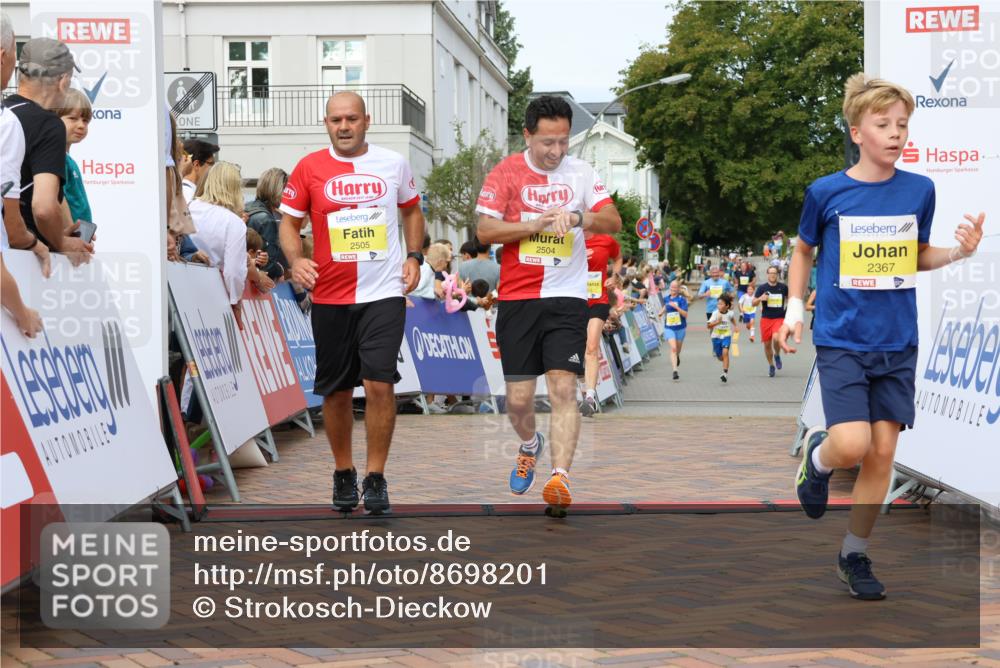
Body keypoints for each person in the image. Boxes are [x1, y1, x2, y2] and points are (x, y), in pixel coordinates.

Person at [781, 73, 985, 601]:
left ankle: (854, 553)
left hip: (897, 341)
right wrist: (793, 309)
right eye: (883, 124)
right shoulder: (826, 192)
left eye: (902, 125)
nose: (896, 133)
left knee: (881, 455)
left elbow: (916, 256)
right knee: (852, 444)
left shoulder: (920, 190)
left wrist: (959, 253)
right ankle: (819, 458)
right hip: (843, 339)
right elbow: (803, 251)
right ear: (857, 132)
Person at [278, 91, 425, 515]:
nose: (344, 126)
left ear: (367, 121)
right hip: (330, 295)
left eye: (352, 119)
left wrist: (414, 257)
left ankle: (376, 476)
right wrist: (296, 259)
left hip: (382, 293)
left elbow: (412, 212)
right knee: (338, 390)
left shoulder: (393, 163)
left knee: (380, 383)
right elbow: (290, 222)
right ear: (326, 123)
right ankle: (344, 471)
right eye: (336, 120)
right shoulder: (309, 167)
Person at [476, 95, 621, 517]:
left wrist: (579, 218)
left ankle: (560, 478)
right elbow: (484, 230)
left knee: (562, 389)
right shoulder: (506, 173)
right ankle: (529, 445)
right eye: (547, 143)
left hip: (567, 298)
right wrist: (531, 225)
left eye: (563, 142)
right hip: (519, 298)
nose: (556, 151)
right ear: (527, 135)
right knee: (519, 402)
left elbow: (612, 220)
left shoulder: (582, 173)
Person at [3, 37, 92, 262]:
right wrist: (61, 242)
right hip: (29, 259)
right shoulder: (48, 125)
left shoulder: (4, 114)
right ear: (63, 81)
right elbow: (43, 207)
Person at [188, 161, 268, 307]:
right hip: (212, 295)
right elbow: (233, 272)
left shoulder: (189, 208)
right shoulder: (233, 223)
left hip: (181, 285)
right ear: (235, 188)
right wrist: (236, 301)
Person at [580, 231, 621, 416]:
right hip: (573, 301)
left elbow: (618, 257)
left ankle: (590, 397)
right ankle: (581, 392)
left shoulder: (605, 239)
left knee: (591, 346)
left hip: (598, 300)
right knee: (575, 349)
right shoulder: (567, 237)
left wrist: (615, 276)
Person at [56, 88, 93, 226]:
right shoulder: (56, 158)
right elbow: (58, 198)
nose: (81, 125)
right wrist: (72, 233)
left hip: (80, 236)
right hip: (69, 237)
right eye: (73, 118)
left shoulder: (68, 159)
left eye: (85, 120)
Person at [245, 167, 290, 280]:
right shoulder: (267, 220)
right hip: (257, 285)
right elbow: (268, 264)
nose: (289, 196)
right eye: (287, 190)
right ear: (278, 190)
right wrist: (280, 269)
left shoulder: (246, 208)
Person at [753, 265, 788, 377]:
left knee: (776, 338)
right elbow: (753, 303)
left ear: (777, 275)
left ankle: (777, 354)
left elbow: (790, 298)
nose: (773, 275)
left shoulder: (783, 287)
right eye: (771, 273)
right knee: (767, 345)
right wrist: (760, 299)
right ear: (767, 274)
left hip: (779, 318)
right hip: (766, 319)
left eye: (775, 273)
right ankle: (771, 365)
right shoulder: (762, 288)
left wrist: (789, 310)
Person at [658, 279, 688, 381]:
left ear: (679, 289)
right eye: (672, 287)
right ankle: (675, 370)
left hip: (680, 328)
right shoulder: (666, 298)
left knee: (677, 350)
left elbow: (685, 315)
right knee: (673, 348)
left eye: (675, 288)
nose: (673, 289)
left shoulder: (682, 300)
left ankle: (677, 356)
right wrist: (661, 313)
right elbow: (665, 306)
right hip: (669, 328)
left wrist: (677, 308)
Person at [707, 293, 738, 383]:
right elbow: (708, 326)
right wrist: (718, 322)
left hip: (726, 336)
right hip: (716, 337)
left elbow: (731, 318)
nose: (719, 305)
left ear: (727, 306)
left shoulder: (730, 313)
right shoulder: (715, 313)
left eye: (721, 304)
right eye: (718, 304)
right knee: (720, 357)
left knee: (725, 352)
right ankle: (724, 361)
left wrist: (735, 326)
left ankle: (725, 373)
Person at [738, 276, 757, 343]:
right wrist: (741, 310)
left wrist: (762, 308)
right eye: (749, 289)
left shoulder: (755, 296)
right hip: (745, 312)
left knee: (752, 322)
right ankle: (750, 328)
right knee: (748, 326)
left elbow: (759, 302)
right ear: (747, 290)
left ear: (753, 290)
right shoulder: (744, 296)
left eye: (751, 289)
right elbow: (740, 303)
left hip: (752, 311)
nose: (750, 291)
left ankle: (752, 336)